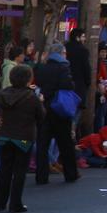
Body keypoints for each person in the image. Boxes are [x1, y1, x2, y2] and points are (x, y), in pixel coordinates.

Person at [0, 65, 44, 213]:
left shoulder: (3, 95)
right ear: (28, 79)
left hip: (5, 135)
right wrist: (41, 101)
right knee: (20, 171)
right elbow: (41, 116)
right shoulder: (32, 98)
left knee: (5, 169)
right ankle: (15, 203)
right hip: (23, 137)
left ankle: (0, 201)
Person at [35, 42, 79, 184]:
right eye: (64, 53)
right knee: (65, 142)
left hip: (45, 107)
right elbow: (69, 85)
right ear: (60, 53)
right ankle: (70, 173)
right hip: (60, 108)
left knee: (43, 144)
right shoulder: (63, 67)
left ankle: (41, 175)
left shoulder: (41, 67)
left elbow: (39, 83)